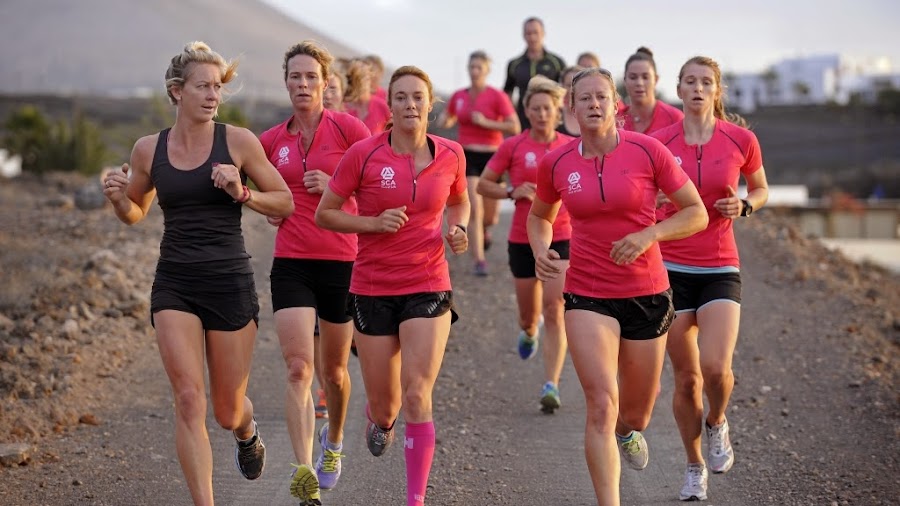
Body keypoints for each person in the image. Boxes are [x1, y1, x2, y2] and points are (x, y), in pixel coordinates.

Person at [102, 41, 294, 506]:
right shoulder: (149, 149)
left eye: (218, 87)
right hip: (176, 283)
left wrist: (242, 191)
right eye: (203, 86)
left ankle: (247, 433)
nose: (213, 95)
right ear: (176, 91)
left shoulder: (239, 142)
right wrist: (116, 197)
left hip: (229, 282)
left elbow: (285, 203)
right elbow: (136, 211)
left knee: (228, 410)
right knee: (189, 399)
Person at [527, 67, 707, 505]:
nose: (593, 104)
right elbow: (539, 216)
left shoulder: (648, 152)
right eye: (584, 98)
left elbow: (696, 212)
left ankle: (629, 431)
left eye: (601, 97)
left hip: (647, 291)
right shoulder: (558, 162)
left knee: (636, 411)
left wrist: (649, 235)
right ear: (571, 109)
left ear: (616, 104)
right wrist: (541, 249)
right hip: (587, 293)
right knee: (601, 404)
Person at [315, 65, 470, 506]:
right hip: (372, 286)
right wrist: (371, 223)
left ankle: (415, 499)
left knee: (419, 393)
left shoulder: (451, 155)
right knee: (387, 407)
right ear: (391, 103)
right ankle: (379, 422)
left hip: (428, 282)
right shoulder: (364, 154)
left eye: (417, 96)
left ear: (430, 102)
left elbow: (459, 201)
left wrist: (458, 229)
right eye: (400, 97)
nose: (409, 105)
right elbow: (326, 213)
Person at [650, 56, 769, 502]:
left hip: (720, 263)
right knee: (687, 380)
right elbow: (636, 194)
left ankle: (717, 421)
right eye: (690, 82)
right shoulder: (657, 143)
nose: (698, 89)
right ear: (678, 90)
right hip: (669, 268)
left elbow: (760, 188)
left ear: (717, 91)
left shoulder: (741, 139)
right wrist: (656, 197)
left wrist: (746, 206)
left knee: (717, 369)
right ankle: (694, 466)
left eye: (706, 82)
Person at [259, 40, 371, 504]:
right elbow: (259, 187)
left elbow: (380, 196)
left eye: (311, 78)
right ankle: (304, 469)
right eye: (294, 77)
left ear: (326, 85)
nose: (302, 85)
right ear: (285, 83)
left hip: (343, 262)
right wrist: (268, 205)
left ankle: (336, 443)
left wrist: (337, 190)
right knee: (299, 368)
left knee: (335, 372)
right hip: (291, 263)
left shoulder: (348, 129)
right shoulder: (270, 140)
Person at [477, 75, 574, 413]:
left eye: (548, 108)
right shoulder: (513, 146)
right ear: (527, 112)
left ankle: (552, 384)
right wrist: (510, 191)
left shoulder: (569, 146)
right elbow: (484, 185)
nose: (542, 114)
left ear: (557, 111)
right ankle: (529, 332)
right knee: (529, 317)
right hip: (521, 238)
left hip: (561, 235)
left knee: (555, 308)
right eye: (536, 108)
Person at [438, 50, 520, 276]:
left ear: (486, 70)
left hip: (493, 157)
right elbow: (449, 116)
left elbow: (514, 127)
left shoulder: (497, 96)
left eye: (479, 68)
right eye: (471, 67)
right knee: (475, 206)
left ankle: (484, 231)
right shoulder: (459, 95)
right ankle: (479, 261)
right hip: (468, 156)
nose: (474, 72)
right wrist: (445, 120)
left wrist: (487, 122)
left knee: (491, 216)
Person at [504, 17, 566, 130]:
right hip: (523, 120)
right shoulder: (514, 64)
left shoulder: (556, 62)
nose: (532, 37)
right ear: (523, 35)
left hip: (551, 121)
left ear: (543, 33)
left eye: (535, 32)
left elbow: (565, 90)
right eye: (528, 33)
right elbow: (507, 93)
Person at [619, 47, 684, 134]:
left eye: (645, 77)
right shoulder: (613, 120)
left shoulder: (675, 118)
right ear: (625, 80)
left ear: (656, 79)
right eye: (633, 77)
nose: (639, 83)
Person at [344, 59, 392, 134]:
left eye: (364, 77)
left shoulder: (382, 107)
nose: (361, 82)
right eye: (357, 78)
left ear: (370, 79)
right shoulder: (342, 108)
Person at [557, 65, 584, 137]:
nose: (572, 89)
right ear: (562, 86)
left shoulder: (593, 112)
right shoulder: (555, 113)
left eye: (576, 85)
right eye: (569, 85)